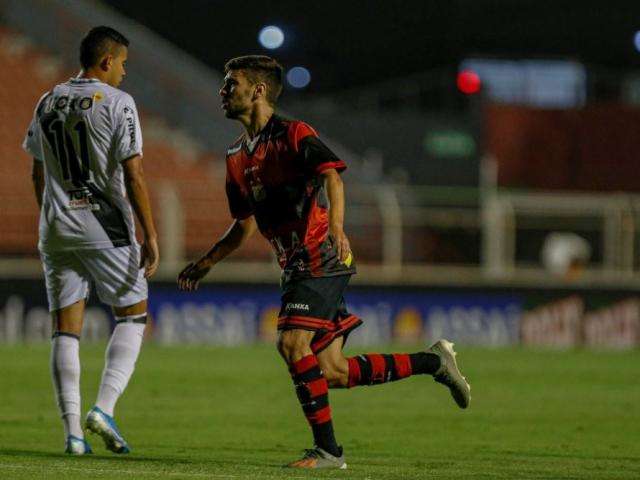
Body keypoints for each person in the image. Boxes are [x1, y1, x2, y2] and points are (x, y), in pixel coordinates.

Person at [178, 55, 470, 469]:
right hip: (296, 266)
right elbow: (243, 224)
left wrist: (336, 228)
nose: (222, 92)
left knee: (291, 343)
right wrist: (207, 261)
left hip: (320, 256)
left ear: (258, 91)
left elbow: (332, 176)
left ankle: (329, 452)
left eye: (231, 84)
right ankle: (433, 361)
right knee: (331, 371)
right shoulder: (235, 156)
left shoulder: (294, 134)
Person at [23, 26, 159, 455]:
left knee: (65, 331)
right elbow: (133, 174)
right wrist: (151, 232)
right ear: (106, 61)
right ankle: (103, 408)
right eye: (122, 64)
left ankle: (73, 437)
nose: (123, 73)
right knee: (133, 317)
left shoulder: (47, 100)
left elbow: (37, 171)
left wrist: (53, 215)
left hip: (57, 229)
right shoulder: (119, 103)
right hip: (107, 227)